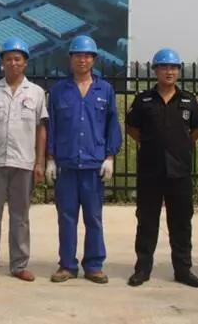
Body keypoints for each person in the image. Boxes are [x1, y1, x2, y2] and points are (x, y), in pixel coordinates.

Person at [46, 35, 122, 284]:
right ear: (71, 59)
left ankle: (94, 265)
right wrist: (50, 159)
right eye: (78, 55)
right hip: (67, 165)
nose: (83, 59)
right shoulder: (59, 91)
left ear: (94, 60)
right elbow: (52, 126)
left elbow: (112, 124)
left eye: (87, 55)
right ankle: (67, 265)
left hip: (93, 165)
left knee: (94, 218)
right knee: (66, 217)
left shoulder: (105, 90)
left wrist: (109, 156)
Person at [126, 48, 198, 288]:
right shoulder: (144, 100)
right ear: (155, 71)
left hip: (179, 172)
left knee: (181, 223)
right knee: (147, 221)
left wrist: (180, 145)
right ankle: (142, 269)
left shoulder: (188, 100)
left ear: (178, 71)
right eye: (163, 67)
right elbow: (132, 128)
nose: (169, 72)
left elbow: (197, 130)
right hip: (151, 171)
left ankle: (183, 270)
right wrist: (150, 143)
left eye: (173, 67)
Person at [0, 37, 47, 282]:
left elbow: (41, 129)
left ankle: (19, 264)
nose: (13, 63)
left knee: (20, 216)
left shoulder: (36, 93)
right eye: (8, 59)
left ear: (25, 63)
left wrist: (39, 162)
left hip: (24, 162)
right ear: (2, 63)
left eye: (18, 59)